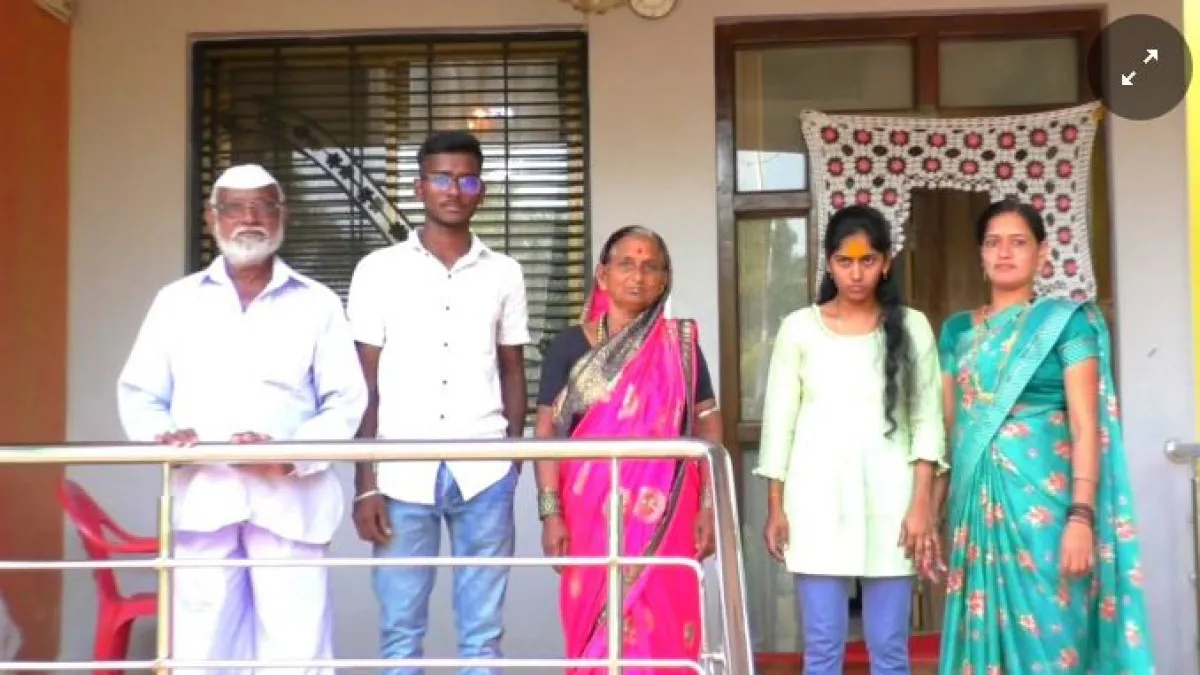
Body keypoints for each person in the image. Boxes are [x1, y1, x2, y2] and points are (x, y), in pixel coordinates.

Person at [116, 163, 368, 675]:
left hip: (291, 506)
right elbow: (140, 394)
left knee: (296, 657)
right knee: (200, 656)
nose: (249, 218)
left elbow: (345, 401)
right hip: (203, 502)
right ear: (213, 219)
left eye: (262, 206)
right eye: (234, 207)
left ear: (283, 216)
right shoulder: (176, 302)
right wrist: (161, 436)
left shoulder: (317, 304)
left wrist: (289, 456)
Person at [935, 199, 1155, 674]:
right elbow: (946, 430)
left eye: (1019, 242)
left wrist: (1081, 517)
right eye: (993, 243)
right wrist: (929, 508)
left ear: (1043, 254)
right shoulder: (955, 332)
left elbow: (1084, 425)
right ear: (981, 254)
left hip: (1048, 515)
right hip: (976, 513)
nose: (1005, 253)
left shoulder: (1067, 322)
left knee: (1055, 645)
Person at [347, 130, 530, 675]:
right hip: (400, 474)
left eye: (467, 179)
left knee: (483, 635)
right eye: (443, 178)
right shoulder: (377, 271)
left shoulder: (505, 273)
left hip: (484, 472)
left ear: (482, 191)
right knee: (400, 635)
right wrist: (366, 482)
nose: (455, 189)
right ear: (420, 186)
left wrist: (510, 459)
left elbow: (513, 368)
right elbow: (366, 383)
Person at [755, 205, 946, 675]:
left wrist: (922, 504)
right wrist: (775, 505)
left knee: (890, 651)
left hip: (893, 503)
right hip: (815, 502)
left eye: (867, 260)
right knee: (822, 650)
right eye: (845, 261)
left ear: (886, 263)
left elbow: (927, 422)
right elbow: (779, 422)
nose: (856, 273)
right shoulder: (799, 328)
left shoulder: (913, 326)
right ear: (828, 263)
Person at [532, 225, 721, 675]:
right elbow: (547, 431)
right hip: (588, 515)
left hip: (668, 514)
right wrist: (550, 510)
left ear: (665, 278)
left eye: (650, 266)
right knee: (596, 631)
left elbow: (707, 422)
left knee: (667, 623)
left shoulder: (682, 345)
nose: (637, 276)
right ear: (602, 275)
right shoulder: (568, 345)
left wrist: (709, 505)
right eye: (626, 264)